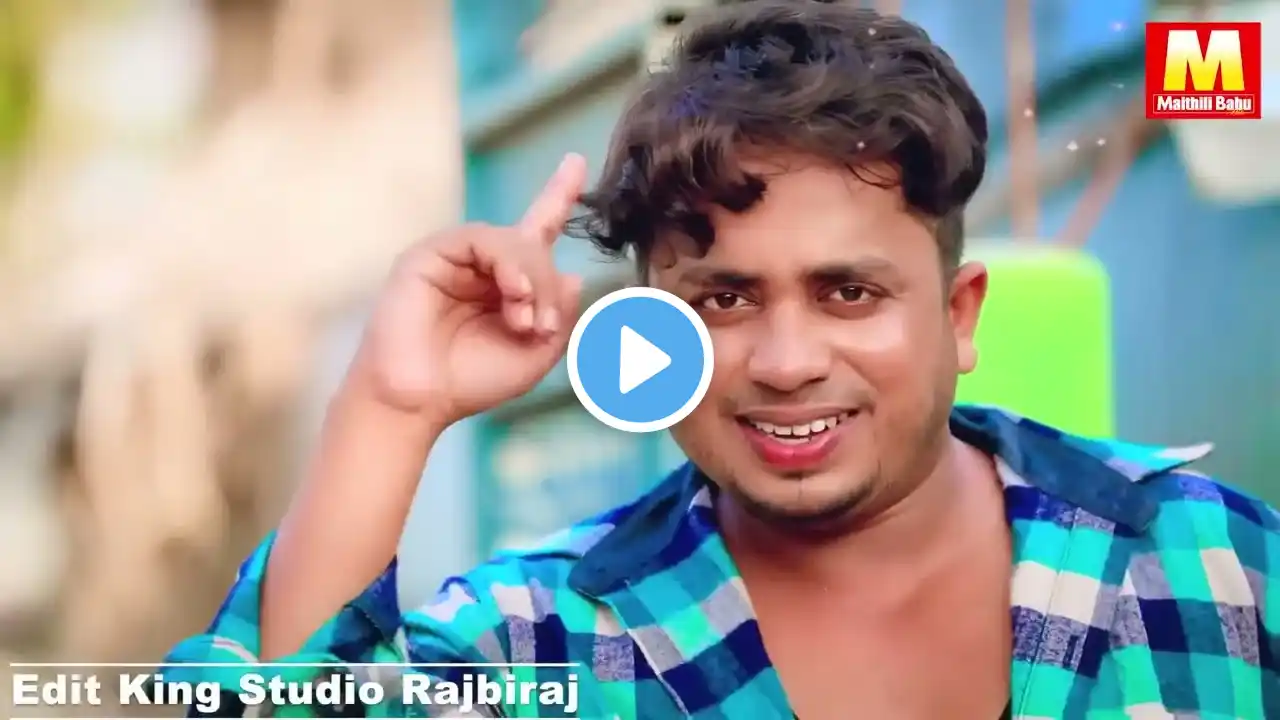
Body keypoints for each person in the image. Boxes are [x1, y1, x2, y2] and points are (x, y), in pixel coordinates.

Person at [166, 2, 1279, 718]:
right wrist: (391, 405)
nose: (785, 362)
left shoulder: (1210, 564)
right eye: (723, 300)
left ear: (958, 313)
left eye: (848, 293)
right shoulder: (549, 639)